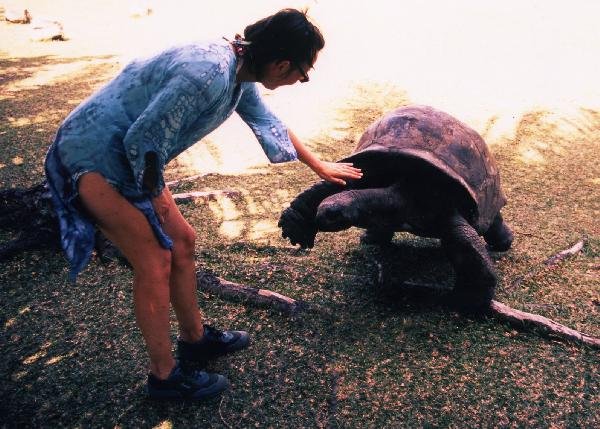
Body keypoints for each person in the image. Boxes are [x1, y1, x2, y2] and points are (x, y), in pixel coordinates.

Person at [44, 8, 362, 400]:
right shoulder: (207, 74)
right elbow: (142, 141)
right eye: (304, 72)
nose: (300, 81)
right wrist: (153, 199)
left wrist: (318, 165)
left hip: (133, 157)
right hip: (93, 157)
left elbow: (267, 119)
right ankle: (164, 378)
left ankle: (195, 340)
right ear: (282, 64)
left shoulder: (239, 71)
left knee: (184, 242)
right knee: (156, 259)